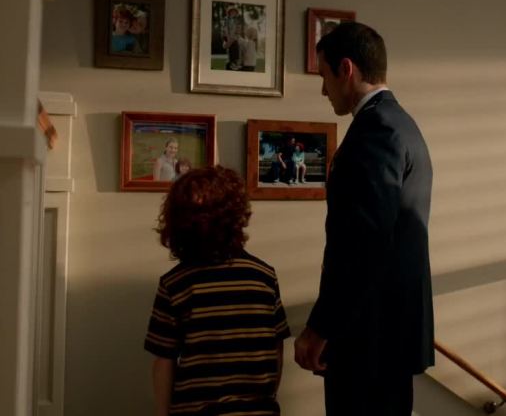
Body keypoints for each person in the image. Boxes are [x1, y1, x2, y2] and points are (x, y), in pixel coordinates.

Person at [294, 22, 434, 416]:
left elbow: (362, 243)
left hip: (368, 337)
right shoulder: (401, 124)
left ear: (346, 69)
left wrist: (321, 327)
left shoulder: (376, 130)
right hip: (386, 335)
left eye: (323, 76)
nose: (323, 90)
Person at [144, 166, 290, 415]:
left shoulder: (175, 284)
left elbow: (164, 360)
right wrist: (268, 396)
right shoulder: (263, 276)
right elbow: (276, 345)